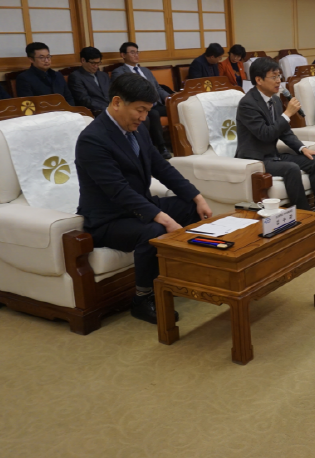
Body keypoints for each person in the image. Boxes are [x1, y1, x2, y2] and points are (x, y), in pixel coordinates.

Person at [75, 73, 212, 325]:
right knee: (154, 229)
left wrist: (196, 196)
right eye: (140, 110)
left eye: (147, 111)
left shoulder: (138, 130)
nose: (143, 117)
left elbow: (161, 167)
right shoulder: (92, 139)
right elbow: (118, 191)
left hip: (139, 207)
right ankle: (142, 298)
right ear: (117, 102)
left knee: (189, 209)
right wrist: (162, 217)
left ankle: (182, 277)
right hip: (109, 218)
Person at [235, 59, 315, 227]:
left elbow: (285, 132)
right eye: (273, 77)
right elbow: (265, 134)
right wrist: (287, 114)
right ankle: (306, 218)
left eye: (279, 76)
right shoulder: (247, 104)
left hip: (273, 156)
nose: (278, 81)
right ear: (258, 80)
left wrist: (302, 148)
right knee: (291, 168)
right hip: (254, 159)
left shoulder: (274, 100)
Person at [111, 42, 173, 159]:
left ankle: (178, 142)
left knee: (176, 109)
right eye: (132, 52)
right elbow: (123, 91)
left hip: (156, 104)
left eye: (137, 52)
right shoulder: (119, 72)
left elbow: (158, 88)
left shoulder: (145, 70)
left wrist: (168, 98)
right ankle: (160, 147)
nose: (136, 55)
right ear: (123, 55)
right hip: (140, 107)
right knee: (153, 114)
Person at [68, 46, 112, 113]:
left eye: (98, 63)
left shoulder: (103, 75)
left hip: (112, 109)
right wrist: (107, 109)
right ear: (83, 60)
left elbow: (113, 93)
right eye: (93, 63)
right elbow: (85, 100)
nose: (96, 66)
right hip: (95, 111)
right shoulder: (76, 76)